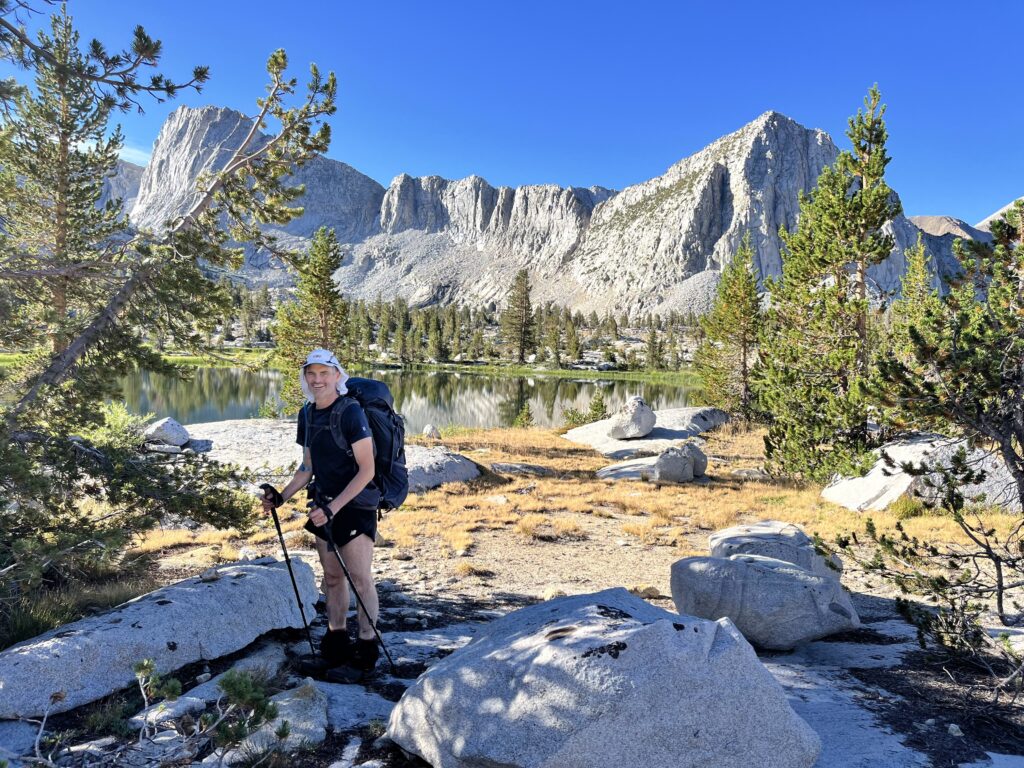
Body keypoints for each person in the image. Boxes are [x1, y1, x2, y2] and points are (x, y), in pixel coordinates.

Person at [262, 348, 381, 674]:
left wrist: (333, 507)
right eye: (311, 374)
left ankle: (367, 652)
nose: (317, 380)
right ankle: (335, 646)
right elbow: (307, 467)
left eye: (323, 373)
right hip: (324, 506)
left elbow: (367, 470)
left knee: (359, 578)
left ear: (336, 375)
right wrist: (282, 496)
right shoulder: (308, 414)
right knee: (332, 578)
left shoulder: (351, 412)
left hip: (355, 506)